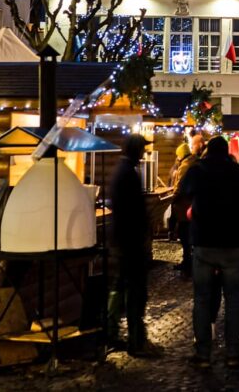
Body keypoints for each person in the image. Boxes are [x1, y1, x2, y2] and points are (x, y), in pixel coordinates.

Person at [180, 135, 239, 369]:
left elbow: (183, 191)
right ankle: (233, 353)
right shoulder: (238, 173)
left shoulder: (198, 170)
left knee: (202, 299)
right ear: (226, 152)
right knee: (233, 298)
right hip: (232, 244)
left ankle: (203, 354)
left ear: (207, 150)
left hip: (204, 242)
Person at [111, 134, 155, 356]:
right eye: (142, 149)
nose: (144, 153)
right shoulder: (128, 174)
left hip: (123, 241)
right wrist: (142, 236)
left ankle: (112, 335)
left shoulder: (122, 171)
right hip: (131, 243)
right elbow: (133, 212)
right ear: (136, 150)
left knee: (122, 289)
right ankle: (136, 342)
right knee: (136, 293)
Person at [171, 132, 204, 277]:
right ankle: (189, 262)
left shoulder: (185, 166)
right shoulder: (196, 162)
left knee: (184, 236)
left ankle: (187, 264)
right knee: (189, 236)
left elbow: (179, 186)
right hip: (193, 206)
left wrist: (173, 197)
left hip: (184, 206)